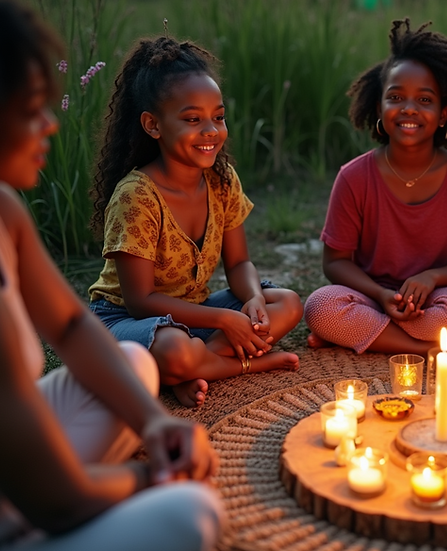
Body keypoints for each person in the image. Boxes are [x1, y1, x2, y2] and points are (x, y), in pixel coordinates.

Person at [0, 1, 223, 549]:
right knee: (192, 512)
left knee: (134, 364)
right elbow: (61, 501)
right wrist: (153, 476)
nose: (49, 124)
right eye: (30, 111)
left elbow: (73, 327)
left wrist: (155, 423)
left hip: (13, 464)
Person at [87, 36, 303, 408]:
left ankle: (193, 367)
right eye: (192, 119)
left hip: (194, 311)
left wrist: (252, 298)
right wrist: (224, 320)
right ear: (153, 125)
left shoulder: (222, 181)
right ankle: (237, 364)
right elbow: (140, 301)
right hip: (126, 321)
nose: (211, 131)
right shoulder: (136, 196)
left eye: (218, 117)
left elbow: (239, 263)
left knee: (287, 303)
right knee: (175, 349)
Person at [303, 19, 447, 364]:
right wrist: (381, 295)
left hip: (438, 297)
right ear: (379, 107)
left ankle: (368, 335)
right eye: (395, 97)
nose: (409, 108)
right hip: (370, 294)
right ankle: (427, 348)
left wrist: (432, 277)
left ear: (443, 114)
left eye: (424, 99)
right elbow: (335, 262)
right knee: (320, 306)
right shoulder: (354, 177)